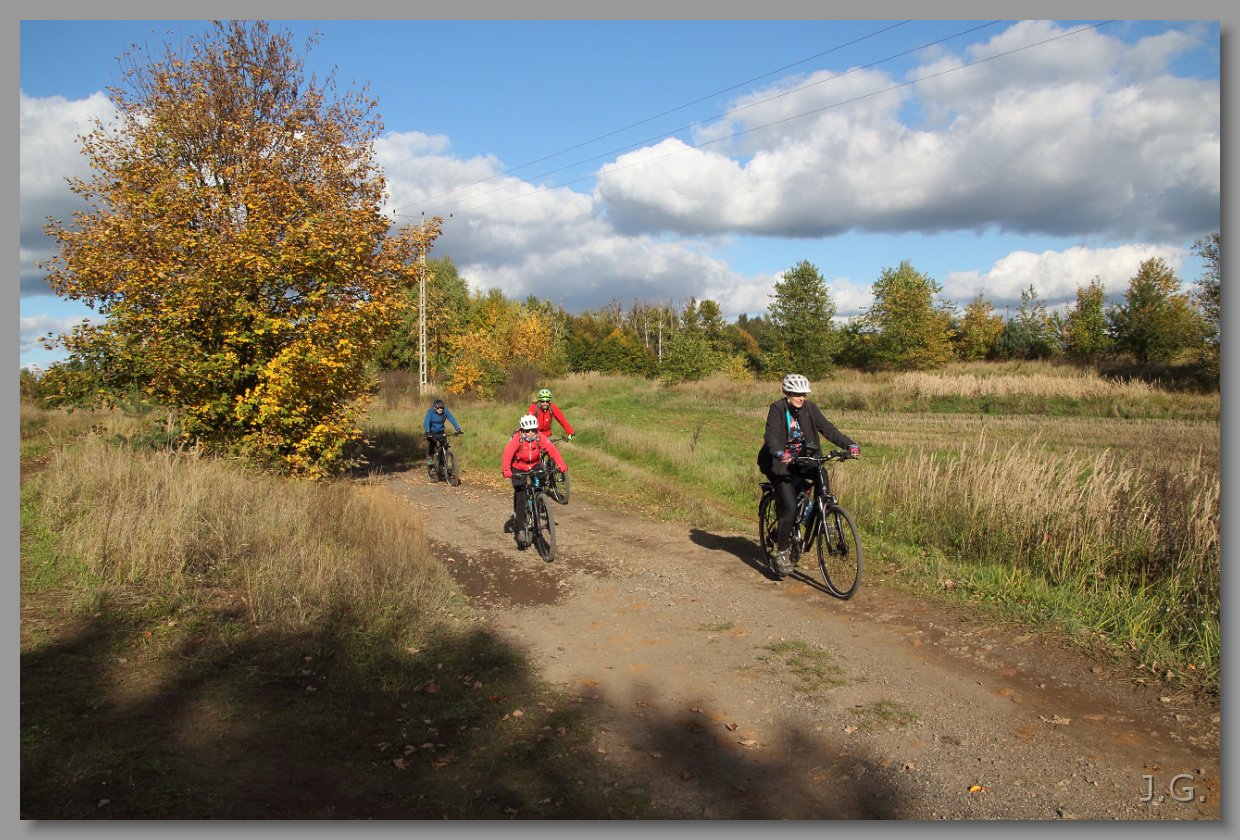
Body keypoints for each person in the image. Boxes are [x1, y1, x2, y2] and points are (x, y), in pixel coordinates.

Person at [756, 373, 860, 577]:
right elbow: (771, 437)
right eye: (796, 394)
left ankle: (824, 515)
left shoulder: (810, 409)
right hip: (779, 463)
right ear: (786, 393)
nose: (801, 398)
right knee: (790, 506)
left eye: (803, 394)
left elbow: (827, 428)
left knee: (821, 472)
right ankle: (782, 552)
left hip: (804, 460)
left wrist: (849, 445)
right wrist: (780, 453)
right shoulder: (777, 409)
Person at [501, 413, 569, 547]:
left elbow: (552, 450)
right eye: (528, 430)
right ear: (523, 430)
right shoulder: (517, 438)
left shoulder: (539, 437)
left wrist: (561, 464)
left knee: (541, 481)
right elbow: (507, 454)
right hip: (518, 467)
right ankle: (521, 528)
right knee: (521, 495)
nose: (531, 432)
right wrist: (506, 470)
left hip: (535, 465)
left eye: (533, 430)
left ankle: (539, 501)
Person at [423, 398, 462, 468]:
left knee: (445, 445)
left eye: (441, 408)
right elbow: (427, 421)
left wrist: (458, 429)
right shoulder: (430, 412)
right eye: (438, 408)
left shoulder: (445, 411)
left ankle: (442, 463)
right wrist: (428, 431)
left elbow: (452, 419)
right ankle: (430, 457)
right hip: (431, 432)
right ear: (434, 408)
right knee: (432, 444)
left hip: (441, 431)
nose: (440, 409)